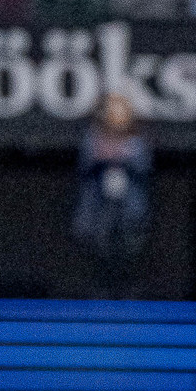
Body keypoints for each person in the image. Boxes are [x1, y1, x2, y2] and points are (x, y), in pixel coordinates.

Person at [74, 93, 153, 294]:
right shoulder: (93, 138)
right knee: (100, 249)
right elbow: (86, 163)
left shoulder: (138, 140)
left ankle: (127, 291)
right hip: (99, 208)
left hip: (129, 209)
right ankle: (99, 291)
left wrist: (120, 154)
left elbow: (143, 165)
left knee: (129, 249)